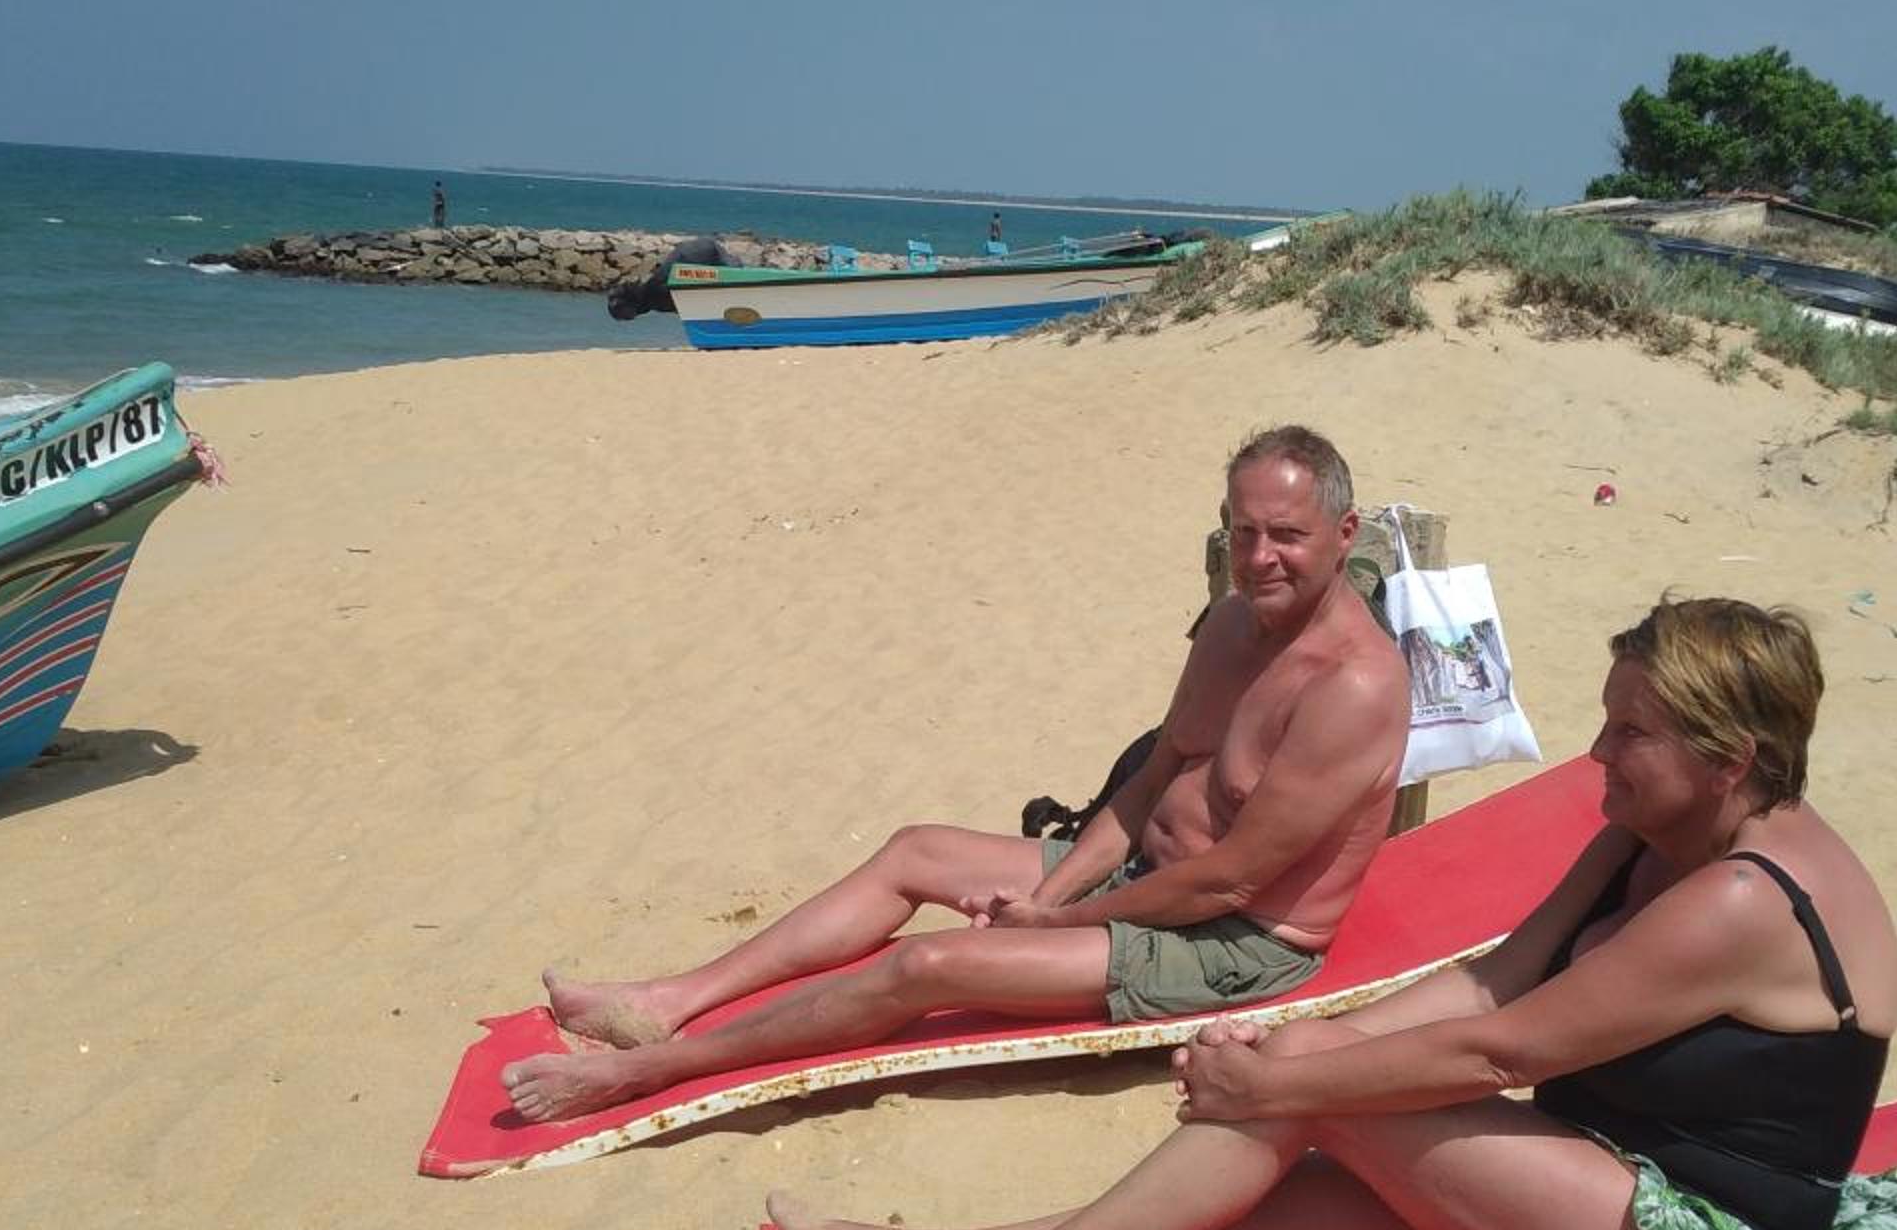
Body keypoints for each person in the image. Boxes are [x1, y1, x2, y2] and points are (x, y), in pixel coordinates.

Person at [768, 596, 1897, 1230]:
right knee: (1246, 1216)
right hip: (1586, 1179)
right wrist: (1302, 1050)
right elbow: (1494, 983)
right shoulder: (1650, 834)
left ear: (1729, 760)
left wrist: (1284, 1078)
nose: (1598, 754)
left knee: (1306, 1089)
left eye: (1630, 733)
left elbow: (1504, 1051)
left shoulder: (1742, 899)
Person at [504, 425, 1411, 1123]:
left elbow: (1232, 878)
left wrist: (1057, 918)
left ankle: (649, 1069)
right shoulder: (1232, 624)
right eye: (1243, 532)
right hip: (1147, 878)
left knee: (927, 965)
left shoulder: (1353, 686)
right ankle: (669, 1002)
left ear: (1343, 534)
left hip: (1232, 941)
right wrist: (1054, 893)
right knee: (916, 852)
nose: (1259, 558)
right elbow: (1152, 781)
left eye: (1286, 535)